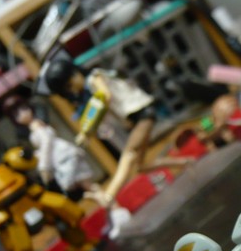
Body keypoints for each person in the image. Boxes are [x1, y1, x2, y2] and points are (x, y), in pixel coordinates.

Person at [43, 59, 189, 208]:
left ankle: (109, 195)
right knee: (141, 166)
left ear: (74, 74)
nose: (73, 90)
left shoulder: (94, 78)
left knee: (129, 153)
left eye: (70, 85)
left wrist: (87, 130)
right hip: (136, 117)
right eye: (68, 89)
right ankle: (186, 162)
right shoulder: (89, 88)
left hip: (143, 113)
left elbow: (104, 96)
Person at [2, 94, 97, 197]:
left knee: (82, 183)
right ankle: (103, 200)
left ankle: (105, 200)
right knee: (84, 184)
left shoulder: (35, 125)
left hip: (62, 155)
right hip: (60, 156)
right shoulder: (35, 125)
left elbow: (46, 142)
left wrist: (43, 166)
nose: (23, 114)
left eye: (24, 108)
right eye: (17, 114)